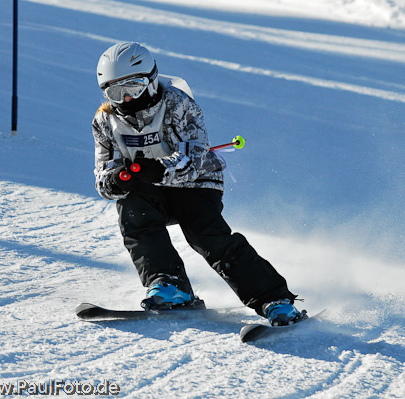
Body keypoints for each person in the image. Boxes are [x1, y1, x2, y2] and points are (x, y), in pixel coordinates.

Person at [91, 41, 306, 326]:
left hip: (197, 184)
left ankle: (273, 299)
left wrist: (157, 170)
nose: (127, 100)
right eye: (116, 92)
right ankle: (169, 283)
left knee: (206, 234)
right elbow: (103, 176)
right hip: (148, 190)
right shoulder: (105, 120)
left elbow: (194, 157)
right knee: (132, 212)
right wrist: (117, 179)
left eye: (133, 87)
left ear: (152, 80)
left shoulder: (177, 104)